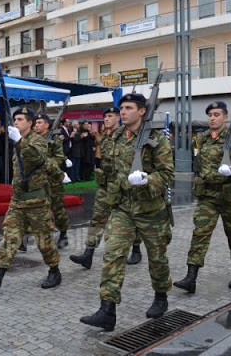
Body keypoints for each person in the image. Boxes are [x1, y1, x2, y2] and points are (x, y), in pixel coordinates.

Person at [80, 94, 173, 332]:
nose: (123, 112)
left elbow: (167, 175)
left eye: (129, 108)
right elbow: (110, 171)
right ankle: (107, 310)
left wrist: (147, 179)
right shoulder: (115, 137)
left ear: (142, 111)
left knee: (157, 258)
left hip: (151, 210)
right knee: (113, 254)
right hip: (123, 208)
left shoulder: (156, 139)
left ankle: (161, 295)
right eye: (121, 108)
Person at [0, 108, 61, 294]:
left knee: (44, 241)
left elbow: (38, 158)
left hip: (36, 201)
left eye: (20, 119)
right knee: (9, 237)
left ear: (30, 123)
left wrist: (19, 142)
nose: (16, 122)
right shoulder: (16, 141)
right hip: (18, 201)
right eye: (15, 119)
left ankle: (54, 270)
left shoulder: (37, 141)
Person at [174, 101, 231, 296]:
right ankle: (191, 277)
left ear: (225, 117)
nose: (212, 117)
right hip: (207, 196)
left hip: (230, 196)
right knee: (200, 233)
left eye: (217, 114)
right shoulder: (202, 139)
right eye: (210, 114)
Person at [70, 107, 147, 269]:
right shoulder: (105, 137)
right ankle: (88, 254)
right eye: (105, 116)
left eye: (110, 116)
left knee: (130, 218)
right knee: (97, 219)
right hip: (105, 186)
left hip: (123, 187)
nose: (106, 119)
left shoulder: (125, 136)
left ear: (118, 118)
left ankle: (136, 249)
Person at [34, 113, 71, 248]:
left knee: (57, 208)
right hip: (37, 180)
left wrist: (46, 163)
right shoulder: (33, 139)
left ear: (46, 125)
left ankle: (63, 233)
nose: (36, 125)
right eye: (36, 123)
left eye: (39, 123)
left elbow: (59, 157)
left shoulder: (55, 140)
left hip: (52, 180)